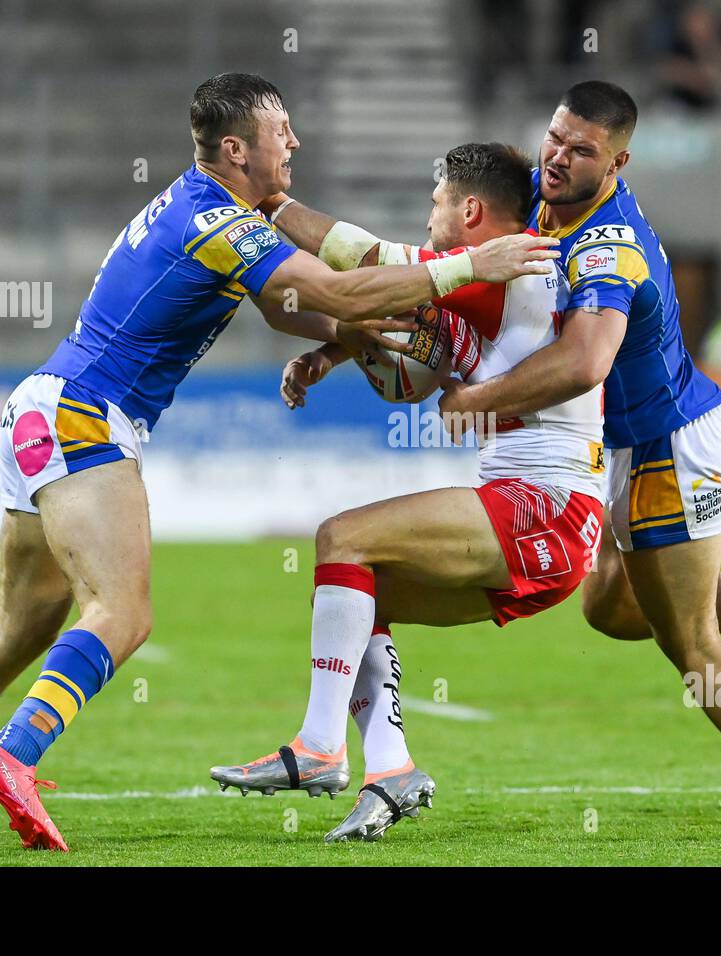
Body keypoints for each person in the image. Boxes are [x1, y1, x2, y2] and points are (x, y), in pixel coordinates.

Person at [0, 74, 556, 851]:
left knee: (20, 626)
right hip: (88, 416)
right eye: (280, 130)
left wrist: (337, 344)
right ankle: (13, 754)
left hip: (41, 411)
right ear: (235, 148)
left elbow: (287, 303)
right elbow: (334, 287)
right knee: (123, 614)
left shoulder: (210, 212)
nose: (295, 142)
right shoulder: (216, 219)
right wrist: (463, 268)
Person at [438, 81, 721, 829]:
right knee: (609, 606)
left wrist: (477, 398)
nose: (559, 158)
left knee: (689, 640)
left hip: (668, 446)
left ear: (618, 161)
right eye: (556, 138)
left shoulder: (609, 247)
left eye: (583, 151)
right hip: (635, 444)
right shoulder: (549, 203)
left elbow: (584, 363)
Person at [209, 142, 608, 842]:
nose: (429, 218)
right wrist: (339, 348)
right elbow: (407, 363)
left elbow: (362, 258)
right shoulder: (482, 285)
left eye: (437, 203)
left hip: (549, 505)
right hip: (542, 519)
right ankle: (390, 768)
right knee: (364, 595)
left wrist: (269, 203)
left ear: (471, 210)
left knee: (342, 537)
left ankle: (318, 747)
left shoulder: (513, 261)